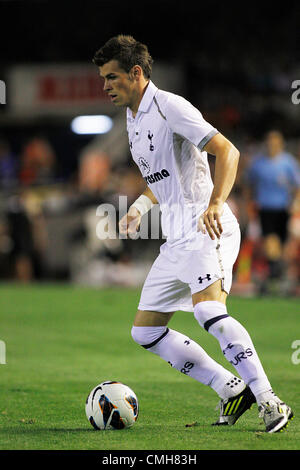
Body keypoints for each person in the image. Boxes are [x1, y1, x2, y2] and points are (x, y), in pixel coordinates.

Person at [92, 35, 294, 433]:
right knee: (145, 330)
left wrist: (217, 203)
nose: (105, 86)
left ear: (136, 73)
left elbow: (228, 151)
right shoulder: (132, 120)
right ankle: (230, 387)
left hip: (206, 226)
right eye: (103, 79)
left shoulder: (170, 107)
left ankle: (270, 401)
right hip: (177, 238)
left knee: (207, 311)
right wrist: (139, 208)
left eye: (112, 77)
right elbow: (160, 177)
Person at [245, 130, 300, 292]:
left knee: (282, 245)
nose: (272, 145)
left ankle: (277, 274)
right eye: (269, 142)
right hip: (265, 208)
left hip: (283, 208)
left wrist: (295, 202)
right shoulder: (258, 163)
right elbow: (249, 183)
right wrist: (249, 203)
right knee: (270, 241)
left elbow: (296, 185)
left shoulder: (288, 163)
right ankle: (275, 273)